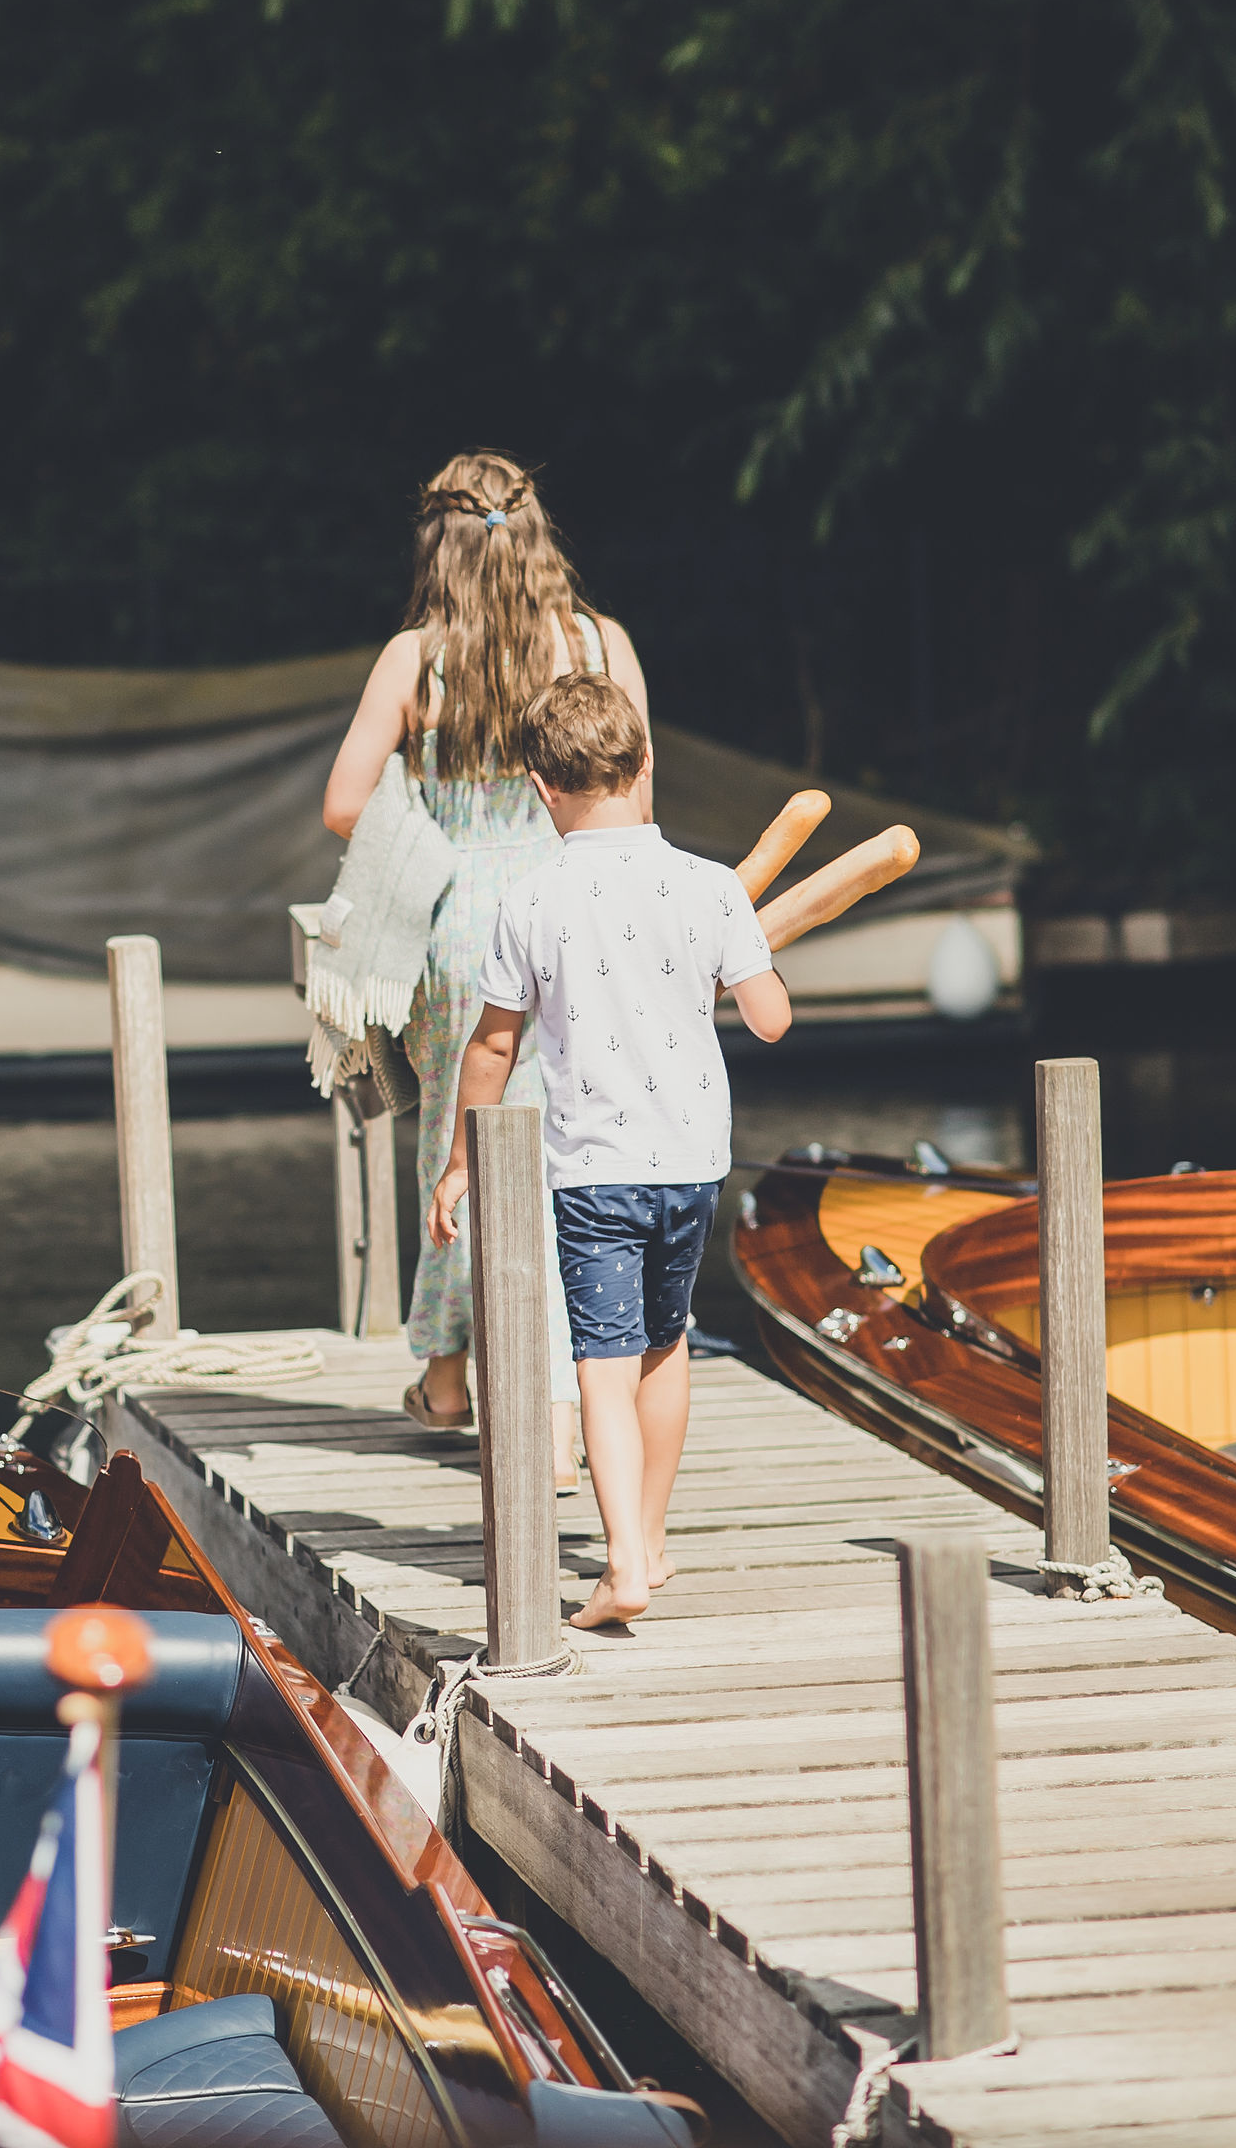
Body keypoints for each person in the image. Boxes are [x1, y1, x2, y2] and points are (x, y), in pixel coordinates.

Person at [424, 673, 790, 1628]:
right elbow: (772, 1017)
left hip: (592, 1170)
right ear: (648, 765)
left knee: (602, 1364)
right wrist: (731, 968)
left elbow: (495, 1044)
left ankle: (623, 1562)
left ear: (541, 791)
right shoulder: (710, 887)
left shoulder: (530, 896)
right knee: (664, 1349)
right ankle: (653, 1542)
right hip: (691, 1163)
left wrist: (461, 1161)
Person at [324, 454, 654, 1461]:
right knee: (579, 1147)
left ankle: (449, 1374)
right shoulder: (599, 643)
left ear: (438, 545)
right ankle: (573, 1390)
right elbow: (637, 804)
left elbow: (345, 805)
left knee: (458, 1156)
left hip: (461, 922)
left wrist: (436, 836)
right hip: (585, 910)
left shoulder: (414, 659)